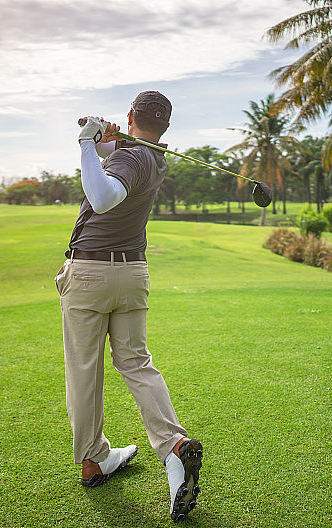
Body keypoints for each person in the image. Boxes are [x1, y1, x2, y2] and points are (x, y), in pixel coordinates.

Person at [54, 91, 203, 522]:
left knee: (84, 370)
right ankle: (174, 448)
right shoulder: (153, 156)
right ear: (166, 127)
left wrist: (87, 143)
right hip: (132, 274)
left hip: (90, 275)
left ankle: (92, 459)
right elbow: (118, 157)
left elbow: (101, 196)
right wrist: (103, 137)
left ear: (132, 114)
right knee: (136, 363)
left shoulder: (132, 159)